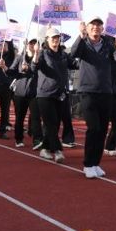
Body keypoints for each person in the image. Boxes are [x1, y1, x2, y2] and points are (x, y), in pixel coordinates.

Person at [70, 17, 116, 179]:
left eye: (98, 25)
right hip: (87, 92)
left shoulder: (108, 45)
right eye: (93, 25)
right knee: (94, 128)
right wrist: (81, 36)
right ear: (87, 27)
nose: (96, 27)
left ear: (102, 29)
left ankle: (96, 163)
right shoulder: (83, 43)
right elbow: (73, 53)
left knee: (102, 129)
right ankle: (88, 164)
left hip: (106, 92)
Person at [31, 28, 76, 163]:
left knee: (55, 124)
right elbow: (34, 67)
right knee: (50, 123)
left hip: (60, 94)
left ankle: (45, 148)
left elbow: (74, 64)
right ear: (47, 40)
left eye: (57, 37)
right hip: (45, 95)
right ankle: (57, 150)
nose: (55, 40)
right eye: (53, 38)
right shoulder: (43, 53)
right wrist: (35, 55)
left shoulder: (63, 54)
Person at [9, 39, 43, 149]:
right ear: (27, 44)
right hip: (20, 92)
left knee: (36, 117)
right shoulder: (20, 57)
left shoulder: (40, 58)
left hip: (34, 92)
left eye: (35, 43)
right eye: (31, 43)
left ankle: (37, 140)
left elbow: (37, 70)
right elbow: (11, 71)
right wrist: (4, 67)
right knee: (20, 117)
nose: (33, 45)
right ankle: (19, 139)